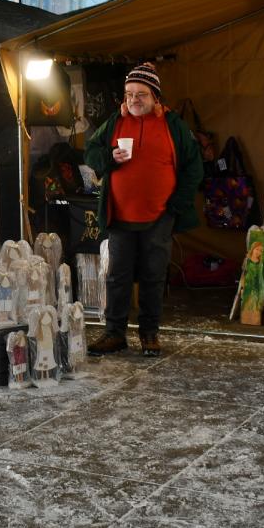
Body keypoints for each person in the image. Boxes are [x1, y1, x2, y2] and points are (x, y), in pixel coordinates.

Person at [84, 62, 203, 357]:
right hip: (120, 215)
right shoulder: (115, 122)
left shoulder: (174, 126)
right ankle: (115, 334)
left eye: (141, 94)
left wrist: (176, 205)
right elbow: (91, 151)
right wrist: (109, 156)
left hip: (159, 216)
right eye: (129, 94)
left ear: (155, 96)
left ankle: (149, 334)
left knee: (153, 276)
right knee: (117, 276)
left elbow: (194, 167)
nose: (134, 100)